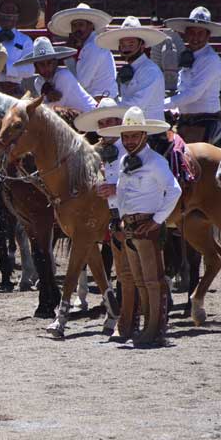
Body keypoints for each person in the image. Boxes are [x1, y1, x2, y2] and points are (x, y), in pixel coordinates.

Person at [98, 107, 181, 347]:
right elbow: (123, 192)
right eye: (126, 136)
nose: (130, 140)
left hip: (147, 224)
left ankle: (155, 329)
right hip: (130, 226)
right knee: (140, 279)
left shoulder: (155, 162)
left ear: (144, 136)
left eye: (134, 136)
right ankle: (148, 327)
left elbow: (174, 190)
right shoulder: (125, 160)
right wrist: (122, 219)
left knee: (152, 280)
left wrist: (156, 221)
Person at [75, 99, 136, 341]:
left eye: (111, 121)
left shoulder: (130, 149)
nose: (107, 126)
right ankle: (124, 318)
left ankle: (135, 319)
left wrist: (115, 188)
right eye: (102, 122)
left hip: (131, 215)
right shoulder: (95, 152)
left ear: (120, 123)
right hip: (111, 219)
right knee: (122, 272)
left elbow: (140, 181)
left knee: (134, 272)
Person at [96, 16, 169, 154]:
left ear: (142, 45)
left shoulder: (150, 71)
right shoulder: (130, 70)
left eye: (131, 43)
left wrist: (108, 109)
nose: (126, 48)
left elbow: (137, 105)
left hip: (151, 133)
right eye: (123, 44)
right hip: (132, 132)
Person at [163, 7, 221, 145]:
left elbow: (194, 94)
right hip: (184, 121)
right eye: (192, 33)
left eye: (200, 33)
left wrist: (163, 104)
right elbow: (183, 90)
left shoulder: (210, 59)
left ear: (208, 36)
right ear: (186, 34)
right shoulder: (189, 56)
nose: (195, 38)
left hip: (205, 122)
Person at [48, 3, 117, 100]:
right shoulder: (88, 45)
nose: (77, 29)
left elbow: (82, 82)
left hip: (100, 100)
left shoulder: (94, 46)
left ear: (90, 26)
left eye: (81, 25)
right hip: (95, 97)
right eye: (74, 25)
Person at [0, 0, 39, 96]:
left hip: (12, 89)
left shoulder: (25, 40)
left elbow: (29, 70)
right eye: (5, 10)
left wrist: (6, 68)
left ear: (18, 16)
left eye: (12, 11)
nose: (9, 14)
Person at [17, 37, 96, 113]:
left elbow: (56, 107)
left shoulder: (64, 76)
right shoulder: (38, 82)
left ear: (55, 63)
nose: (46, 67)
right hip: (74, 119)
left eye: (49, 63)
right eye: (41, 64)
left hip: (92, 114)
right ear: (36, 66)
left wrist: (33, 106)